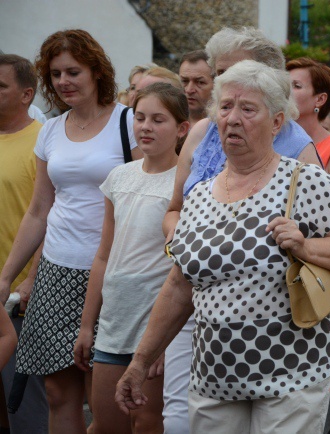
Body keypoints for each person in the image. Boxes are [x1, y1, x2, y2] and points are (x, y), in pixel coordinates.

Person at [115, 59, 330, 434]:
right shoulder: (201, 194)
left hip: (291, 375)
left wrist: (306, 248)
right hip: (214, 374)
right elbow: (178, 285)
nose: (232, 118)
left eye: (247, 108)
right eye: (225, 107)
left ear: (276, 123)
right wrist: (140, 361)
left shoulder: (303, 181)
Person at [160, 26, 321, 434]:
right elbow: (175, 209)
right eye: (219, 74)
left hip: (270, 326)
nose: (221, 84)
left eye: (234, 71)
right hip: (194, 295)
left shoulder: (298, 149)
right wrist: (185, 243)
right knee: (180, 421)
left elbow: (324, 239)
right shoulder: (201, 132)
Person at [0, 29, 140, 434]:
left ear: (96, 71)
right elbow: (39, 209)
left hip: (112, 274)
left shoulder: (128, 123)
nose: (64, 81)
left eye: (73, 71)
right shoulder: (51, 129)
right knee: (59, 396)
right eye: (56, 73)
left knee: (104, 402)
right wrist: (9, 274)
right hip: (56, 273)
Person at [73, 83, 189, 434]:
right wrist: (86, 324)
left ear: (182, 128)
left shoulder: (188, 184)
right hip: (113, 324)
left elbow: (185, 270)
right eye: (139, 118)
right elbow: (105, 256)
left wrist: (172, 342)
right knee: (107, 423)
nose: (146, 127)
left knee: (147, 423)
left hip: (155, 326)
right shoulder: (118, 177)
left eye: (158, 119)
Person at [0, 53, 48, 434]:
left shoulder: (41, 142)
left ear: (26, 94)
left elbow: (48, 216)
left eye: (1, 86)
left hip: (17, 300)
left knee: (23, 409)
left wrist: (31, 278)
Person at [287, 57, 330, 197]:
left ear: (320, 99)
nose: (286, 92)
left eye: (296, 86)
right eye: (285, 85)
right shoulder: (272, 139)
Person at [178, 50, 214, 128]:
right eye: (184, 81)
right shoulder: (168, 124)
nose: (189, 90)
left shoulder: (222, 129)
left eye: (200, 82)